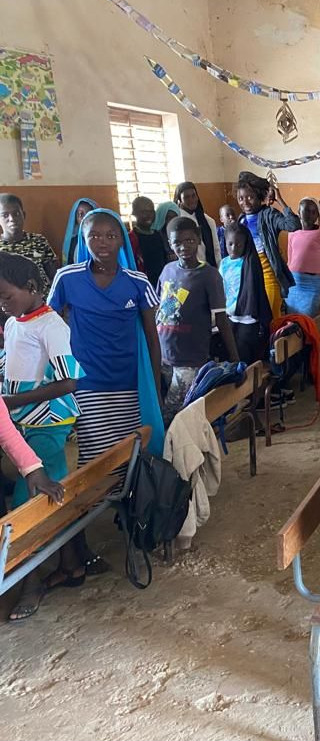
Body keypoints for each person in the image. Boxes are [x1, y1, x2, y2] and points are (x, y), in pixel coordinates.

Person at [47, 208, 164, 584]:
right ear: (83, 240)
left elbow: (151, 336)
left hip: (129, 382)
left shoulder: (137, 282)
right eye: (93, 235)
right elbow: (49, 325)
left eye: (110, 235)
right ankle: (83, 535)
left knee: (130, 453)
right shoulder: (67, 279)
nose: (102, 242)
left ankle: (132, 518)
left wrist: (157, 386)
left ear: (121, 240)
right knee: (93, 458)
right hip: (88, 384)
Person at [0, 252, 78, 620]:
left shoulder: (51, 326)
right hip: (22, 422)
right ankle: (73, 560)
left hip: (48, 422)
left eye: (6, 296)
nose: (3, 305)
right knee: (53, 489)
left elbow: (69, 381)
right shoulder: (15, 323)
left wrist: (14, 399)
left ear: (31, 288)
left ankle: (31, 582)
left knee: (27, 501)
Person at [156, 217, 239, 414]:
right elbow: (158, 312)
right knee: (166, 406)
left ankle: (176, 445)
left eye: (189, 241)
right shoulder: (167, 270)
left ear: (199, 239)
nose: (183, 247)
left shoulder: (209, 275)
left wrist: (235, 358)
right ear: (169, 244)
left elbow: (221, 320)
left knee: (172, 413)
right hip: (164, 355)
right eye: (177, 242)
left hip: (190, 359)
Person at [236, 171, 300, 321]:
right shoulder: (241, 219)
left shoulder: (268, 214)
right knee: (253, 319)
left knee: (271, 317)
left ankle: (274, 344)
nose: (245, 202)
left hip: (268, 274)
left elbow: (293, 225)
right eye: (240, 198)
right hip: (247, 274)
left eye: (250, 197)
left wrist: (280, 200)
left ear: (259, 197)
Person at [219, 222, 272, 365]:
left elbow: (255, 293)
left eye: (238, 244)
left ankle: (249, 386)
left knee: (244, 357)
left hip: (248, 318)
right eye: (230, 244)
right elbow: (222, 287)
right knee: (230, 354)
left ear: (245, 244)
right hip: (230, 316)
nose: (234, 248)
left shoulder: (250, 262)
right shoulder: (224, 263)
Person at [285, 198, 320, 317]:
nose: (310, 215)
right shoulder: (292, 233)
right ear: (299, 212)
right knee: (292, 320)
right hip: (294, 284)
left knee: (308, 321)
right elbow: (290, 260)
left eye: (314, 212)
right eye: (306, 211)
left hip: (311, 284)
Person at [0, 193, 58, 292]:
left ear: (24, 215)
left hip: (42, 301)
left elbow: (54, 275)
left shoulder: (39, 241)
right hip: (11, 303)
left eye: (16, 214)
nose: (12, 219)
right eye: (5, 215)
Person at [174, 181, 219, 266]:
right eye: (186, 197)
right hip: (187, 270)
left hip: (208, 268)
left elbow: (216, 248)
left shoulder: (208, 220)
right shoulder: (177, 220)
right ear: (179, 200)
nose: (191, 200)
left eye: (193, 195)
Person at [133, 196, 172, 288]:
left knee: (171, 302)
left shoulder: (158, 235)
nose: (148, 215)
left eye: (151, 212)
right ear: (134, 213)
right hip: (143, 287)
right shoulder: (131, 238)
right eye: (143, 212)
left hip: (163, 284)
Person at [61, 197, 96, 266]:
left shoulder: (103, 239)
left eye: (89, 213)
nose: (85, 217)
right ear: (76, 219)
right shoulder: (72, 242)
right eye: (80, 214)